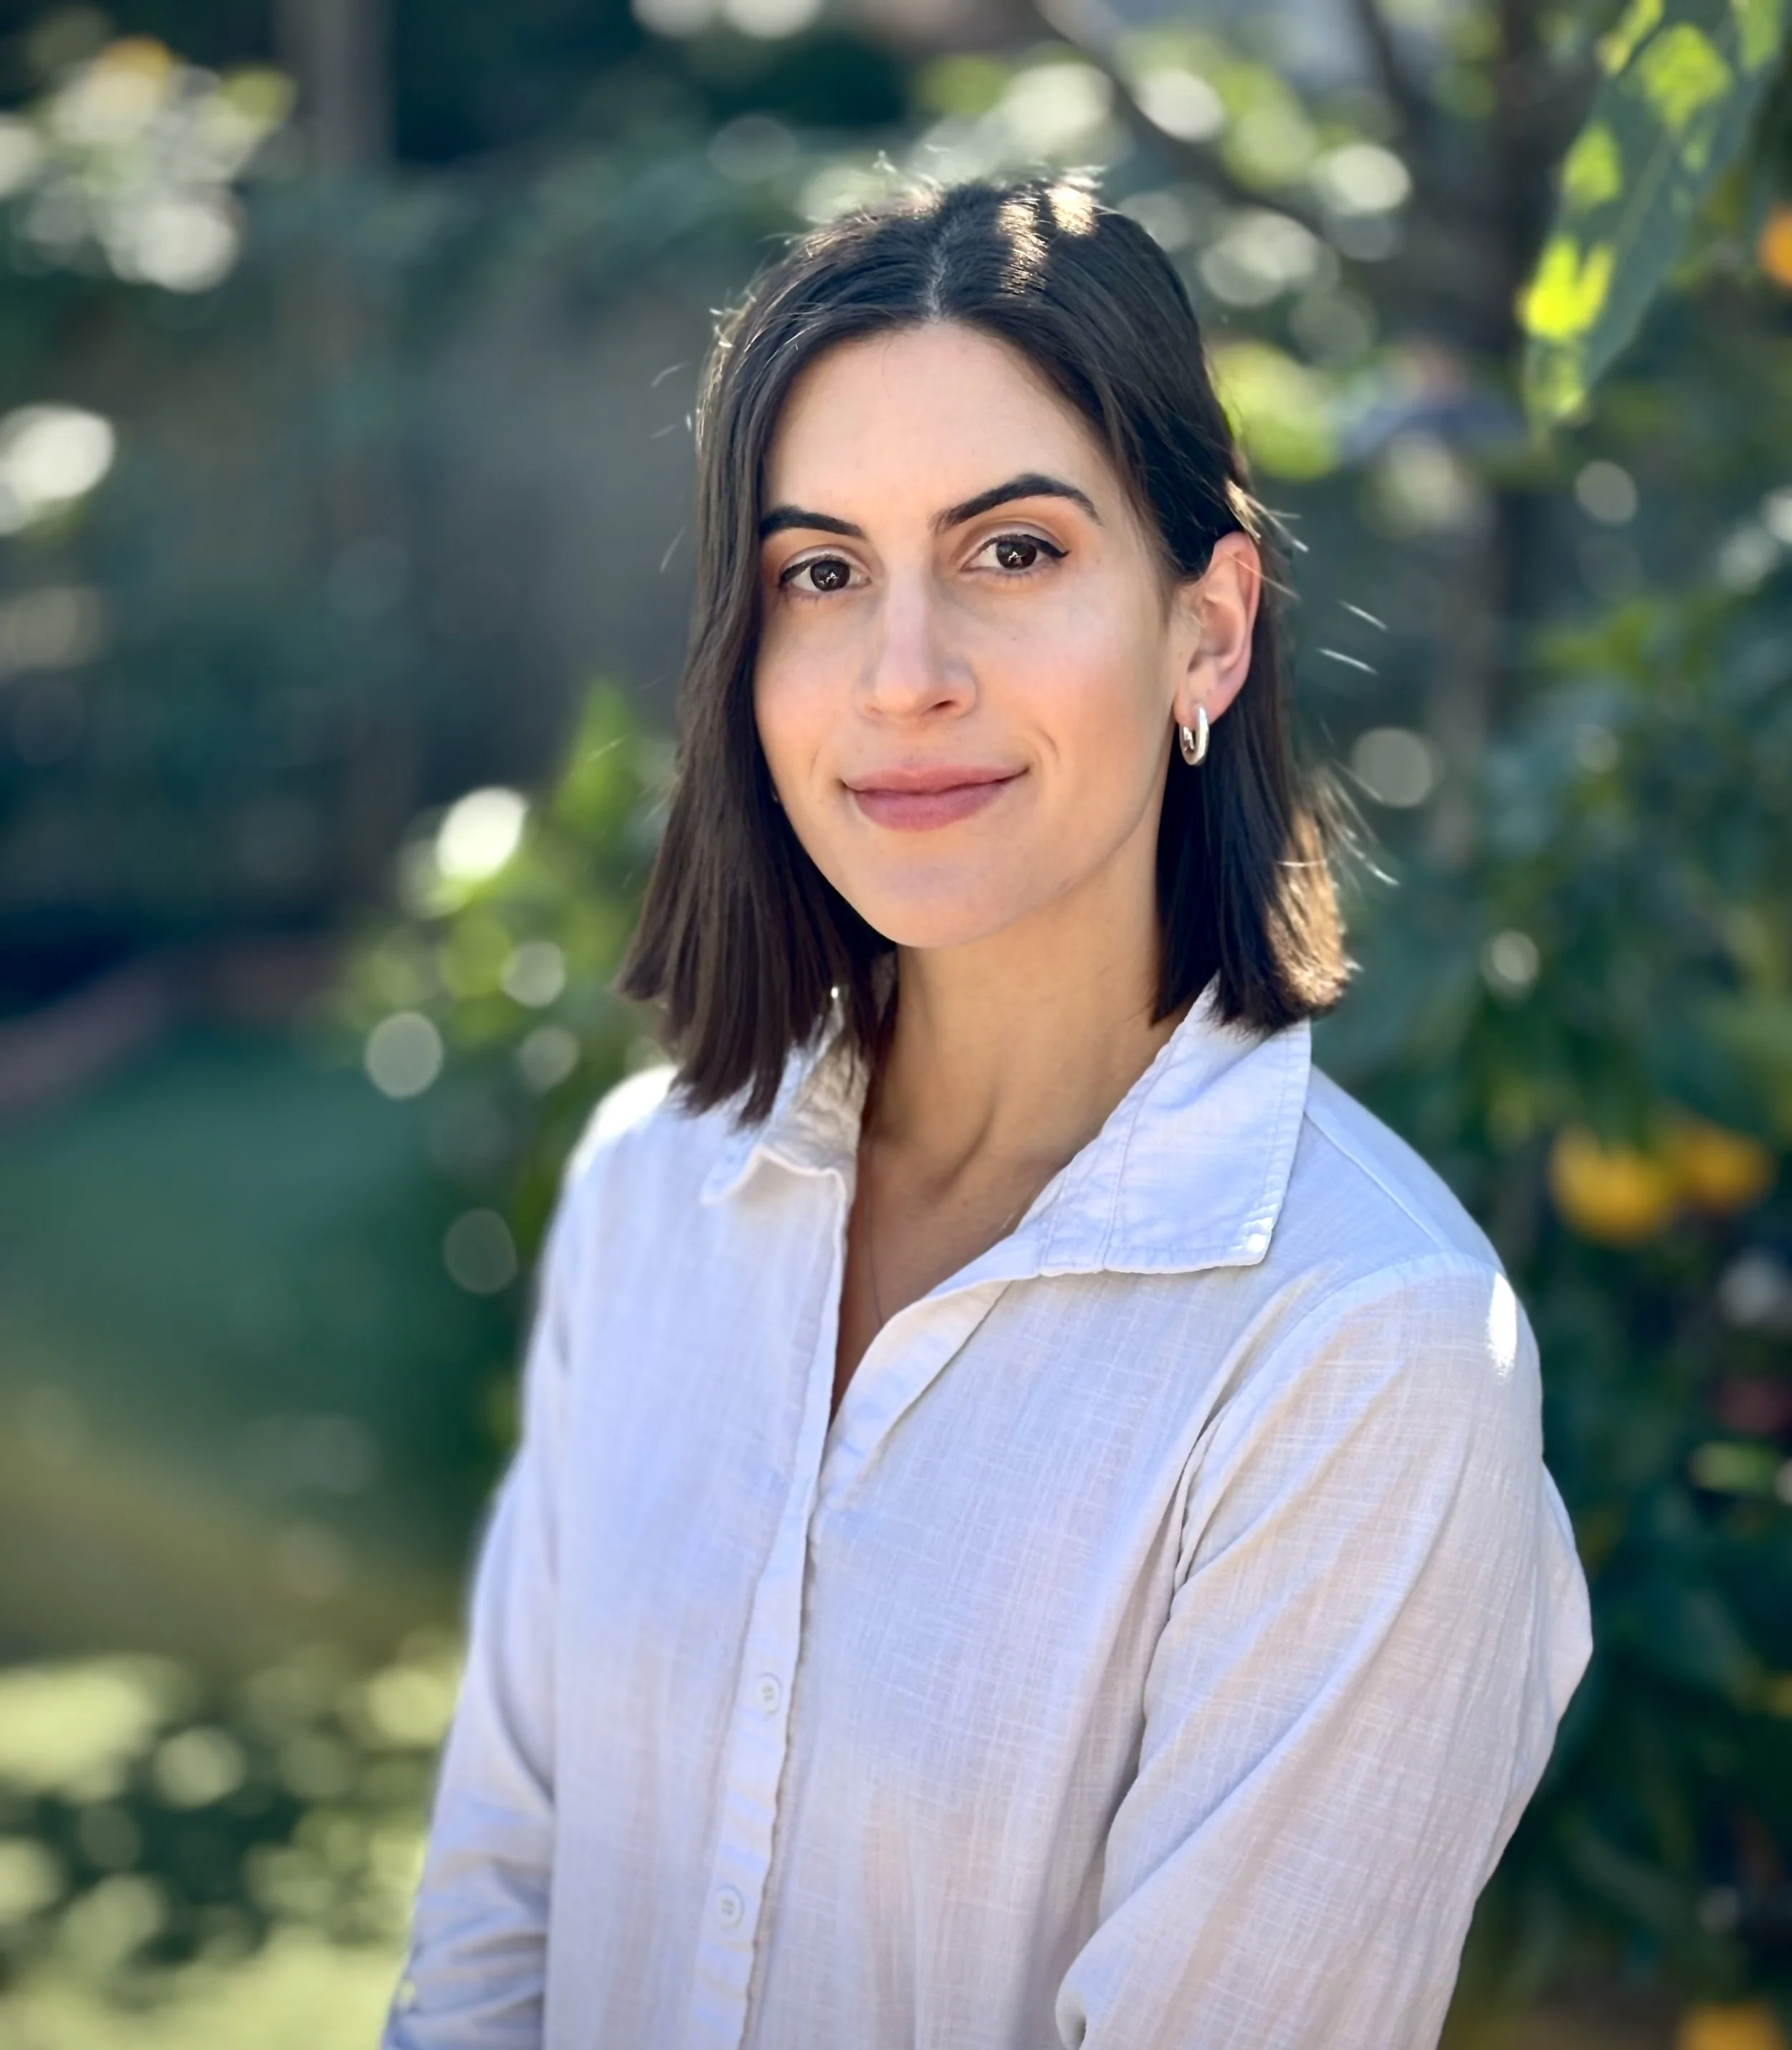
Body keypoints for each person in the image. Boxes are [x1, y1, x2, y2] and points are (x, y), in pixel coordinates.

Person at [383, 177, 1591, 2050]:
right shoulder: (649, 1191)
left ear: (1206, 635)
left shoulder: (1365, 1356)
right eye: (821, 572)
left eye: (1012, 552)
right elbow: (491, 1930)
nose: (902, 676)